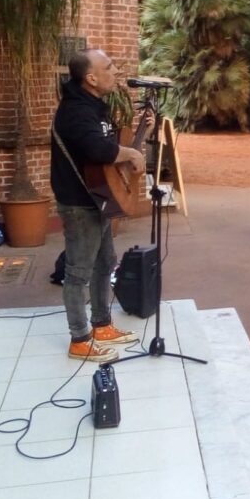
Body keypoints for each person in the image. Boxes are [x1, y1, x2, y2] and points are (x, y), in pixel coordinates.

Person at [50, 49, 146, 362]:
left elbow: (104, 143)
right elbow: (96, 148)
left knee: (105, 262)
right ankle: (79, 339)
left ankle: (101, 324)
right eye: (109, 67)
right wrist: (129, 154)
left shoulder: (93, 106)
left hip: (96, 197)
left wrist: (138, 133)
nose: (115, 71)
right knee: (78, 271)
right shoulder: (76, 111)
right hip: (79, 203)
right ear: (91, 78)